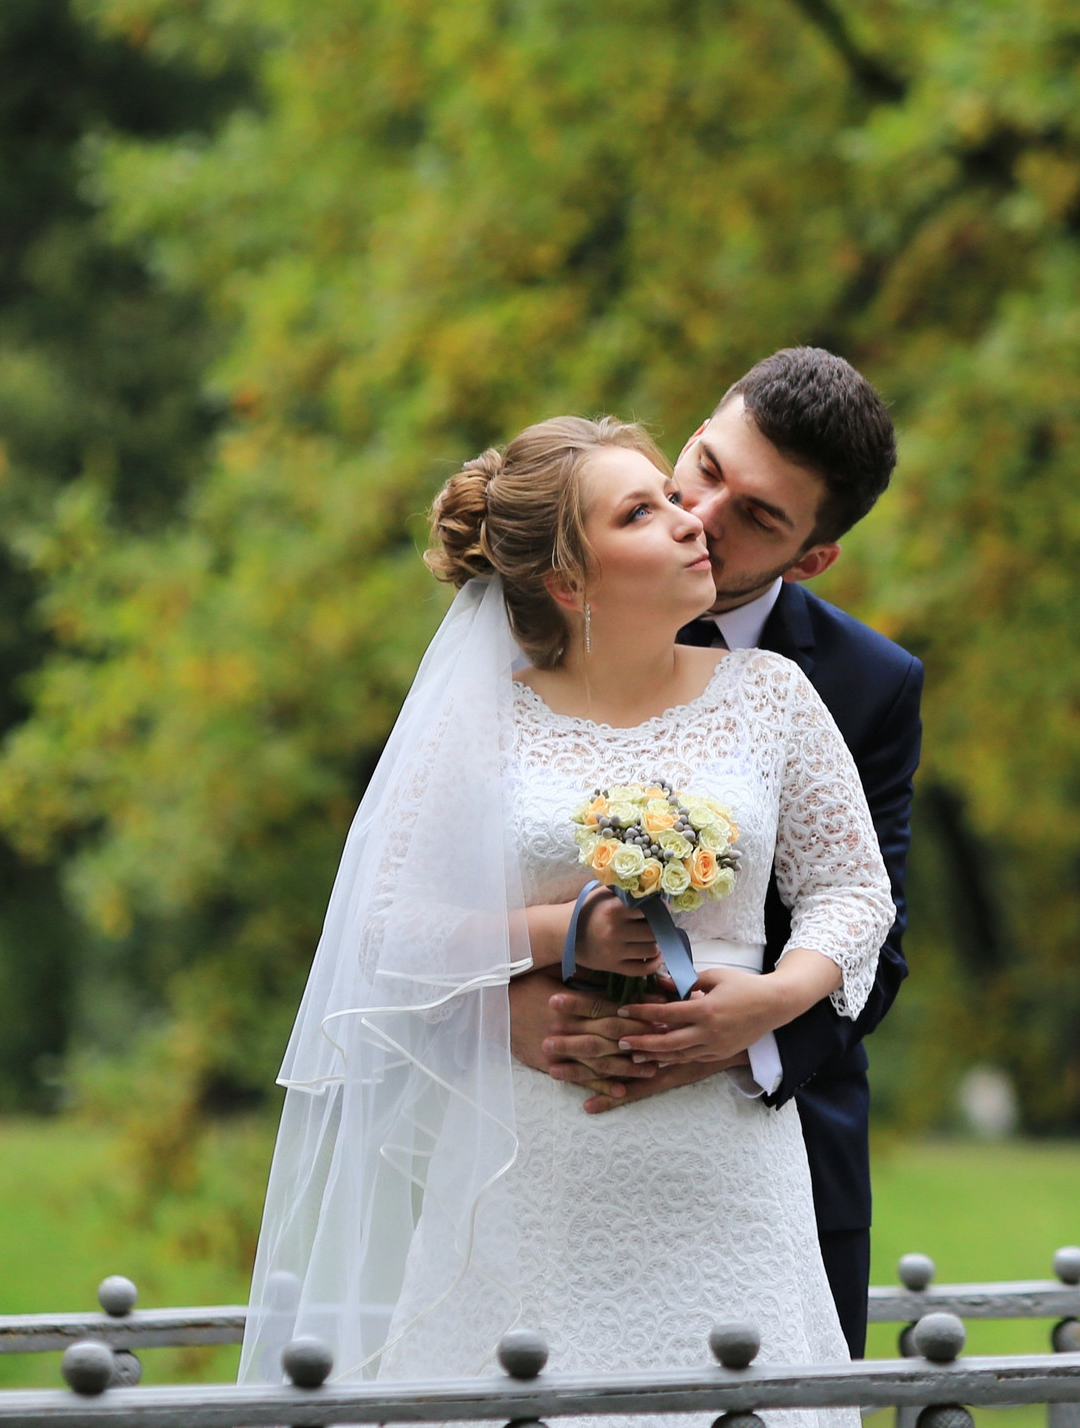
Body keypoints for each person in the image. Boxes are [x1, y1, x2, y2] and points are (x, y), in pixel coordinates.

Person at [239, 415, 889, 1419]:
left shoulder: (774, 697)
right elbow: (385, 928)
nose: (689, 522)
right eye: (642, 512)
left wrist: (770, 999)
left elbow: (853, 892)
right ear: (570, 583)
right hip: (534, 1160)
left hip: (725, 1171)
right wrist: (558, 935)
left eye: (669, 497)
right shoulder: (481, 720)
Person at [507, 348, 921, 1360]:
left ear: (810, 558)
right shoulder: (522, 627)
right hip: (536, 1133)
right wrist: (513, 1005)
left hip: (765, 1156)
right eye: (704, 467)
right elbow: (405, 905)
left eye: (759, 516)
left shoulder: (856, 684)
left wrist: (750, 1027)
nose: (699, 513)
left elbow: (872, 923)